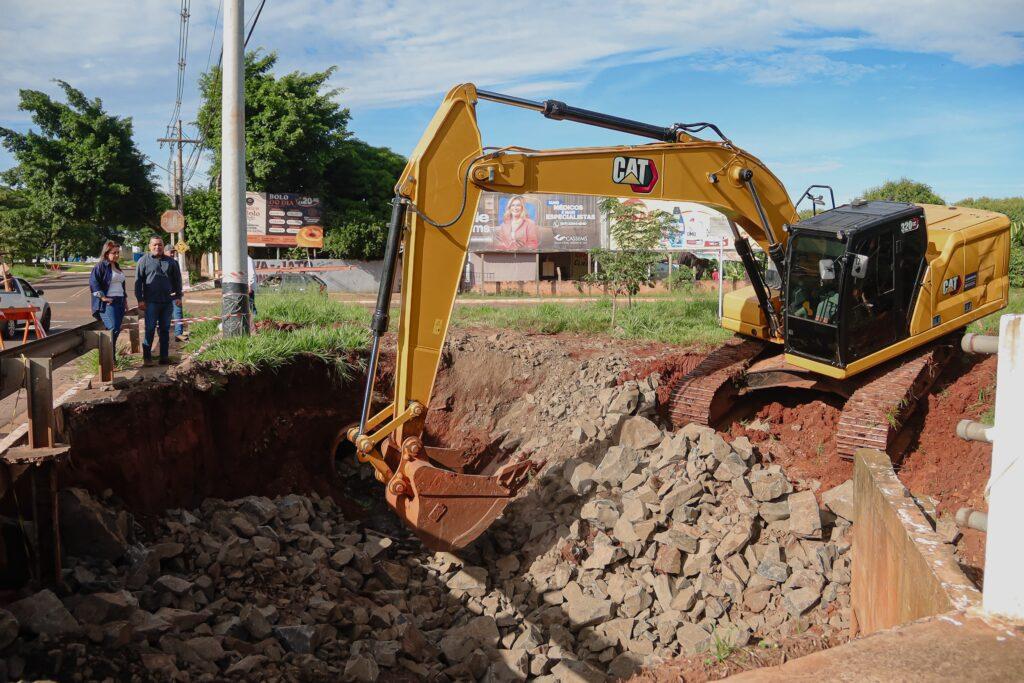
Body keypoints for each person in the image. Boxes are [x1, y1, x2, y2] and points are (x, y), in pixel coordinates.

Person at [135, 236, 182, 366]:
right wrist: (140, 300)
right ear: (150, 246)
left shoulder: (171, 262)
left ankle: (164, 357)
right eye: (155, 245)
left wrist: (178, 296)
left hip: (167, 302)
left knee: (165, 330)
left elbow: (177, 280)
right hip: (151, 302)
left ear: (163, 246)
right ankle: (147, 358)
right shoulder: (143, 261)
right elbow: (138, 282)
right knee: (150, 329)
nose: (157, 247)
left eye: (160, 244)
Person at [89, 241, 127, 356]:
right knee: (113, 328)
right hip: (109, 303)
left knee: (116, 329)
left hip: (120, 301)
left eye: (118, 253)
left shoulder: (117, 266)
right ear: (106, 253)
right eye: (114, 253)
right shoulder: (100, 266)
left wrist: (125, 301)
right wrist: (103, 298)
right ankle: (108, 357)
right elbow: (93, 284)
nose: (116, 255)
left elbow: (122, 285)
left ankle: (111, 357)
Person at [168, 248, 187, 342]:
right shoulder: (159, 262)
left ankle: (178, 334)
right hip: (163, 295)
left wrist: (179, 293)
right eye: (170, 252)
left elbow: (178, 279)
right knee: (164, 316)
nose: (172, 254)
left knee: (178, 313)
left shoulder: (175, 263)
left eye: (173, 252)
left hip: (175, 294)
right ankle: (163, 336)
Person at [247, 252, 257, 317]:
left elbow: (251, 273)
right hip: (245, 285)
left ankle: (255, 317)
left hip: (249, 285)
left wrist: (249, 285)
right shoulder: (245, 259)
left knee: (251, 303)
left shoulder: (248, 260)